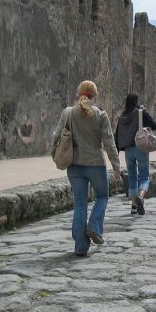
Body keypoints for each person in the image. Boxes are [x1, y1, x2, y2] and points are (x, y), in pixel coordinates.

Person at [61, 80, 121, 256]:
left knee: (80, 205)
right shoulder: (100, 115)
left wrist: (55, 155)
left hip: (74, 164)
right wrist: (116, 166)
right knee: (102, 196)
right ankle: (94, 226)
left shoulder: (68, 113)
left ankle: (80, 247)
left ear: (78, 93)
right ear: (95, 95)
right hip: (95, 164)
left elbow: (57, 136)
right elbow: (109, 142)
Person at [115, 93, 156, 216]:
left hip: (128, 150)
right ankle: (141, 196)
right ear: (136, 101)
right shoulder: (140, 112)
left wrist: (116, 156)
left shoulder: (122, 116)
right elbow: (154, 125)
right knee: (144, 177)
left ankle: (134, 206)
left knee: (132, 177)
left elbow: (117, 135)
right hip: (140, 148)